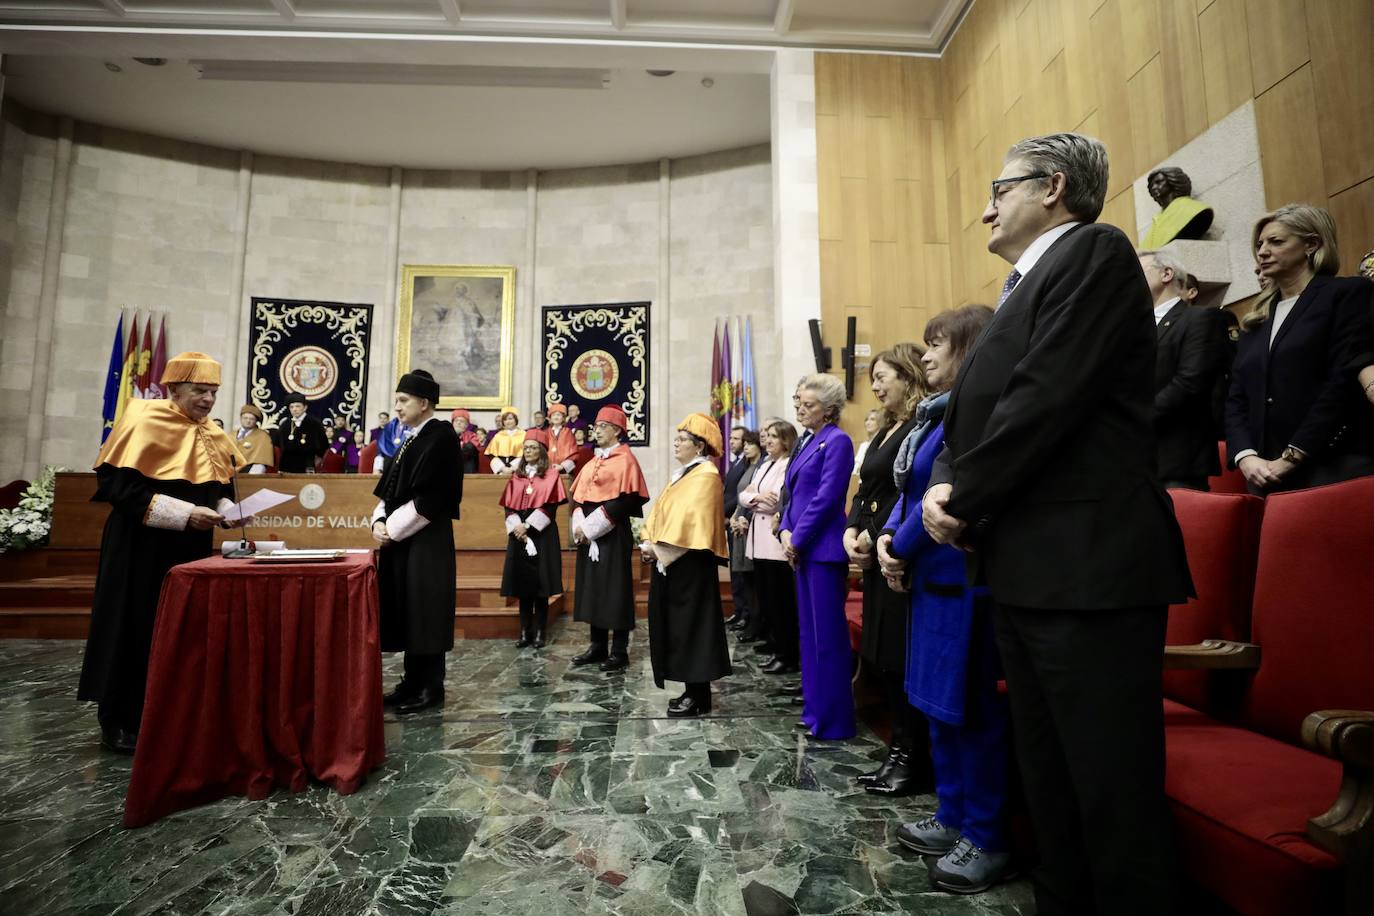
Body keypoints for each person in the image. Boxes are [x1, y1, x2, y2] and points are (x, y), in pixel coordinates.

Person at [922, 133, 1193, 914]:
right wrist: (946, 482)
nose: (984, 210)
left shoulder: (1097, 254)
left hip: (1089, 567)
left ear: (1053, 186)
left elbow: (1046, 399)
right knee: (1049, 780)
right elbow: (966, 414)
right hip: (1028, 567)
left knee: (1110, 787)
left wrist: (961, 496)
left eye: (998, 191)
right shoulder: (1020, 287)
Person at [878, 305, 1011, 894]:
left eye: (939, 344)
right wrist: (889, 539)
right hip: (929, 582)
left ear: (972, 348)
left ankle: (986, 834)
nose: (926, 354)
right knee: (935, 706)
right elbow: (911, 492)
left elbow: (943, 494)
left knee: (971, 712)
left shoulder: (974, 411)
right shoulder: (935, 414)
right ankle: (952, 814)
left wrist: (896, 546)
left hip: (960, 582)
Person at [79, 351, 246, 753]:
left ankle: (170, 713)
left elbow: (217, 488)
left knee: (178, 630)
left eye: (213, 392)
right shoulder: (143, 420)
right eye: (199, 391)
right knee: (131, 625)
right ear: (173, 389)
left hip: (188, 549)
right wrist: (186, 513)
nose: (207, 400)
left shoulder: (211, 433)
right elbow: (118, 490)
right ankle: (118, 719)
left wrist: (226, 511)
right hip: (138, 546)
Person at [1226, 204, 1374, 493]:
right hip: (1265, 473)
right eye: (1259, 244)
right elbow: (1237, 397)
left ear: (1311, 244)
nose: (1263, 251)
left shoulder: (1345, 294)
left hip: (1331, 466)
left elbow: (1341, 382)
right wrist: (1246, 456)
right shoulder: (1257, 318)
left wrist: (1293, 455)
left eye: (1276, 241)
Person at [846, 344, 929, 795]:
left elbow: (907, 494)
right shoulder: (886, 430)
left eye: (882, 377)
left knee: (901, 661)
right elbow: (867, 490)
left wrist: (873, 534)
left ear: (908, 374)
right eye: (873, 378)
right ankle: (896, 752)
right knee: (886, 662)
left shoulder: (919, 425)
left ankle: (910, 758)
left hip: (897, 554)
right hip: (874, 552)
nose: (875, 386)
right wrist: (852, 529)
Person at [370, 369, 463, 714]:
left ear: (424, 403)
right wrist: (379, 521)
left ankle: (430, 686)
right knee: (408, 609)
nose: (396, 407)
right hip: (403, 540)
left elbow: (431, 499)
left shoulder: (440, 437)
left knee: (426, 610)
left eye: (403, 400)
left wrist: (390, 530)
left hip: (427, 540)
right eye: (396, 400)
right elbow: (391, 489)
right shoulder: (410, 438)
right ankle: (410, 682)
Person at [640, 413, 733, 717]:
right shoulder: (683, 474)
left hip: (691, 563)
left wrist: (659, 549)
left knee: (694, 627)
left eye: (682, 440)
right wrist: (649, 541)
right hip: (674, 562)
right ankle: (690, 691)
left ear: (699, 446)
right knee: (680, 627)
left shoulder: (705, 475)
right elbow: (661, 513)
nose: (676, 444)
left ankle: (699, 695)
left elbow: (691, 521)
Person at [780, 373, 856, 741]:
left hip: (822, 550)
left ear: (828, 410)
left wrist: (797, 538)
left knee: (827, 638)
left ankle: (835, 720)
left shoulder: (837, 441)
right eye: (799, 404)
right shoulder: (808, 441)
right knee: (808, 637)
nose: (800, 410)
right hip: (802, 549)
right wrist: (784, 530)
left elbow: (827, 498)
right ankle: (814, 712)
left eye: (808, 405)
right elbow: (791, 494)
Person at [568, 405, 649, 671]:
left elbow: (627, 499)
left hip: (612, 532)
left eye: (603, 427)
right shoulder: (592, 461)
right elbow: (579, 496)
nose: (596, 431)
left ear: (617, 431)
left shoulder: (626, 460)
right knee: (593, 588)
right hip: (589, 534)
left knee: (615, 589)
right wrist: (580, 523)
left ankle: (619, 650)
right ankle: (597, 645)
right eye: (596, 426)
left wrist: (593, 525)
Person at [1139, 249, 1228, 490]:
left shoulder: (1200, 318)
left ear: (1166, 273)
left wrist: (1136, 416)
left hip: (1177, 458)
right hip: (1136, 459)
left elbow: (1190, 382)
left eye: (1137, 270)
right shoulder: (1134, 328)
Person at [740, 420, 799, 671]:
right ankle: (777, 648)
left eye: (775, 436)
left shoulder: (788, 464)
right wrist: (755, 498)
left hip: (775, 542)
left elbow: (775, 501)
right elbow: (745, 493)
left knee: (781, 602)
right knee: (766, 599)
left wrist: (755, 499)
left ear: (786, 440)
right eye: (768, 436)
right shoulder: (765, 464)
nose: (769, 440)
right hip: (759, 540)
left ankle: (787, 655)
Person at [499, 429, 566, 649]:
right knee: (523, 586)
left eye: (533, 447)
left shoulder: (552, 475)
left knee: (540, 586)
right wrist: (517, 527)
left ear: (542, 451)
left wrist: (528, 526)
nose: (528, 451)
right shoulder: (516, 476)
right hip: (518, 534)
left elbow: (550, 507)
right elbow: (509, 506)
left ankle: (539, 633)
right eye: (525, 447)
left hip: (541, 534)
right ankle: (524, 631)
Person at [725, 429, 762, 632]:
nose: (745, 446)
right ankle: (743, 613)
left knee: (748, 576)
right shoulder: (745, 464)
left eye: (749, 443)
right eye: (744, 443)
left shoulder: (759, 466)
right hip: (737, 521)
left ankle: (750, 617)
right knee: (739, 572)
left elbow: (752, 496)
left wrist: (738, 517)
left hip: (748, 524)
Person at [721, 426, 751, 628]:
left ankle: (745, 613)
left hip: (738, 519)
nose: (731, 441)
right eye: (730, 438)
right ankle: (739, 610)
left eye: (736, 438)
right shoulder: (736, 462)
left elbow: (739, 496)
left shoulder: (747, 465)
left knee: (742, 571)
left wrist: (724, 514)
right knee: (735, 570)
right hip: (731, 519)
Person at [1140, 166, 1213, 247]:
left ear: (1173, 181)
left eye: (1159, 182)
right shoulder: (1157, 218)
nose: (1153, 187)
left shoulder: (1192, 209)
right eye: (1151, 186)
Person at [277, 393, 328, 472]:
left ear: (305, 407)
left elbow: (323, 444)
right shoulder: (285, 424)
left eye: (298, 406)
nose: (294, 409)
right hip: (286, 465)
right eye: (291, 407)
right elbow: (278, 443)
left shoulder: (314, 423)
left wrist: (317, 459)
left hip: (307, 464)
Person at [485, 406, 526, 475]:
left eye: (510, 419)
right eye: (505, 420)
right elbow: (491, 455)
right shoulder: (498, 435)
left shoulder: (524, 434)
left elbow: (526, 454)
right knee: (494, 461)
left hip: (517, 465)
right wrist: (503, 468)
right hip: (501, 467)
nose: (508, 422)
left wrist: (512, 468)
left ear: (515, 420)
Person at [235, 403, 274, 473]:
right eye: (245, 418)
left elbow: (262, 461)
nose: (248, 421)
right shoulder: (231, 435)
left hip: (252, 468)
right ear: (240, 419)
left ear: (256, 421)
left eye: (251, 419)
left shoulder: (263, 436)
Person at [544, 403, 579, 474]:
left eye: (558, 415)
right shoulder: (545, 433)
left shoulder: (568, 433)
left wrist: (562, 466)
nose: (556, 417)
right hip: (547, 469)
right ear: (550, 418)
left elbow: (573, 453)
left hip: (563, 471)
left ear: (563, 418)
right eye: (553, 415)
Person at [852, 409, 881, 478]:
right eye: (866, 420)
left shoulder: (883, 444)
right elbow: (855, 469)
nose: (868, 423)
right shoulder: (864, 445)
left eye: (872, 419)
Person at [451, 409, 481, 474]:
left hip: (467, 470)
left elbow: (471, 449)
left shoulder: (472, 435)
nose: (458, 423)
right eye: (456, 421)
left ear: (467, 424)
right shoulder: (447, 435)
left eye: (461, 421)